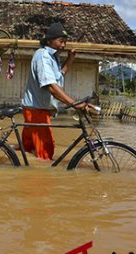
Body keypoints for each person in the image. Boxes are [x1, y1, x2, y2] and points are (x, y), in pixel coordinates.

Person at [21, 22, 93, 160]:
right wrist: (74, 103)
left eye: (65, 42)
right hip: (36, 110)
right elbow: (51, 86)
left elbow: (59, 76)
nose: (63, 45)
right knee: (45, 152)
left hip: (39, 109)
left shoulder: (54, 57)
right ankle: (42, 180)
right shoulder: (43, 56)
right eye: (61, 41)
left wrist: (70, 59)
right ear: (49, 41)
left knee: (28, 150)